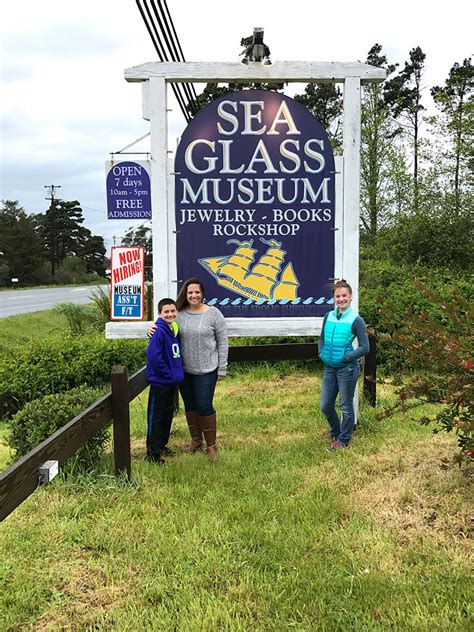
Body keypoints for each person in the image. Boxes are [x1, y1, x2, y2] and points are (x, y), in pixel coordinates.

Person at [148, 278, 228, 460]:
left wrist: (222, 368)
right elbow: (163, 325)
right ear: (185, 294)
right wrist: (150, 328)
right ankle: (196, 441)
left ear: (202, 294)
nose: (194, 295)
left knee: (204, 405)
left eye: (197, 292)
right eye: (190, 292)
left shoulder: (214, 314)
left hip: (207, 370)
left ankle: (211, 445)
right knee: (190, 406)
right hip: (184, 371)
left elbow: (223, 342)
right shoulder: (179, 314)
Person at [318, 280, 370, 451]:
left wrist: (347, 356)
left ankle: (343, 441)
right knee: (325, 405)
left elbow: (365, 347)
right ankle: (335, 431)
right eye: (337, 296)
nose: (341, 299)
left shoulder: (356, 320)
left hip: (347, 369)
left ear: (350, 297)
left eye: (344, 296)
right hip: (329, 368)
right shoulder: (329, 316)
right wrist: (321, 352)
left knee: (345, 406)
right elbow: (321, 338)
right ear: (334, 298)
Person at [145, 298, 184, 464]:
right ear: (160, 313)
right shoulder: (159, 331)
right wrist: (167, 374)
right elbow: (153, 356)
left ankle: (161, 445)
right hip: (161, 382)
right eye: (166, 311)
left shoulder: (172, 329)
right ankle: (152, 454)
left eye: (172, 311)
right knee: (157, 418)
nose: (170, 314)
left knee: (167, 415)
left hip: (171, 382)